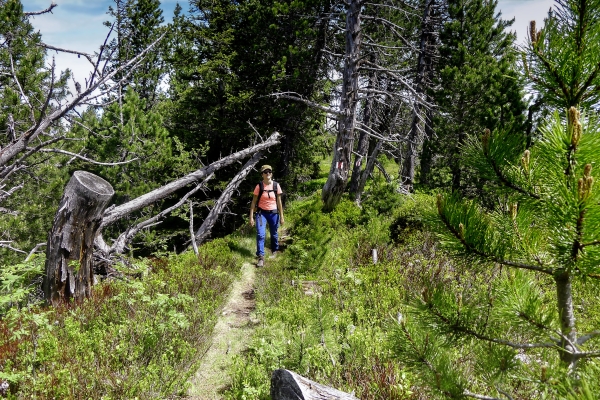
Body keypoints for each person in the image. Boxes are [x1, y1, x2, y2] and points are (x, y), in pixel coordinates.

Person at [249, 165, 284, 267]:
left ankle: (274, 250)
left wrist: (281, 216)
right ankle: (261, 257)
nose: (267, 173)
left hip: (273, 213)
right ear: (262, 175)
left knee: (274, 233)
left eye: (269, 171)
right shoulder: (259, 186)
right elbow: (253, 202)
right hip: (261, 214)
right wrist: (251, 217)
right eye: (265, 172)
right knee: (260, 234)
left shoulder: (276, 186)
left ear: (271, 173)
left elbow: (279, 202)